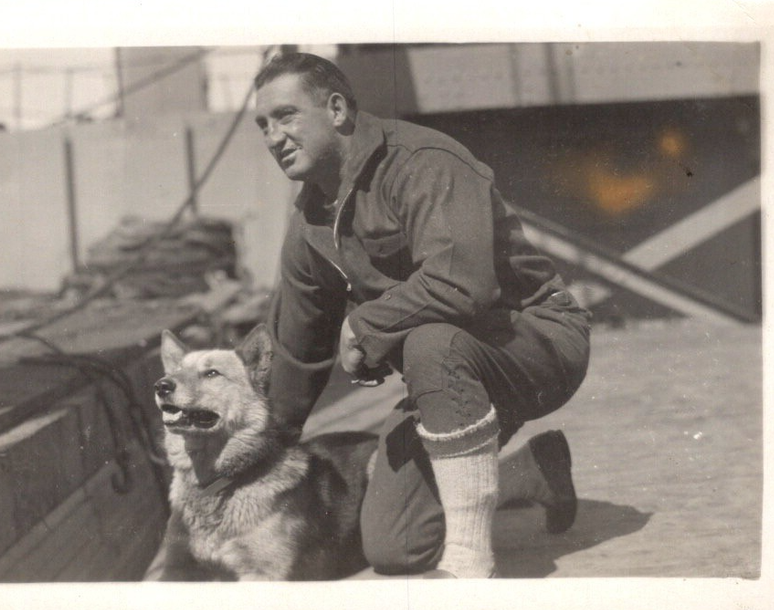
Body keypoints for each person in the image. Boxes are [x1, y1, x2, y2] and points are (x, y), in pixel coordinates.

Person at [253, 52, 591, 578]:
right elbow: (296, 351)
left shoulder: (423, 160)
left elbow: (463, 284)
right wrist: (257, 453)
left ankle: (470, 563)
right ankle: (529, 474)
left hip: (537, 341)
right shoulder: (309, 222)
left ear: (337, 110)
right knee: (395, 546)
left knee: (430, 341)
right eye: (263, 125)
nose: (274, 137)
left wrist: (363, 325)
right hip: (448, 377)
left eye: (286, 116)